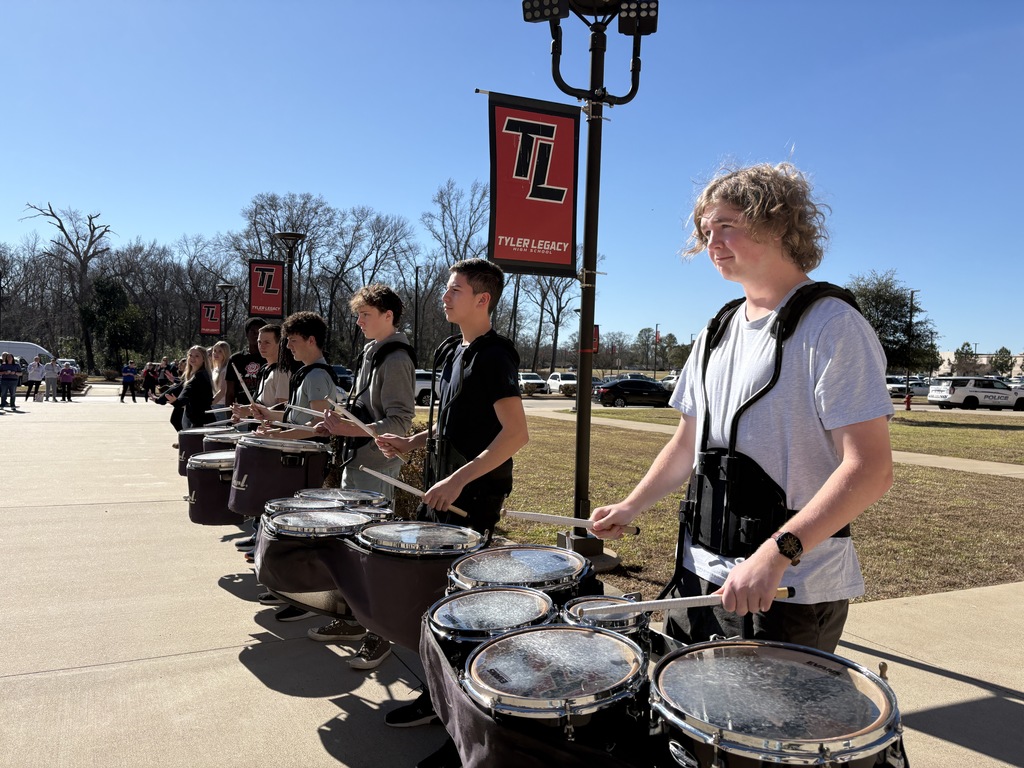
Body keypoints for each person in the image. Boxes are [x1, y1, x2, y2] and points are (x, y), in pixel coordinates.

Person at [591, 163, 894, 655]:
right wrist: (631, 505)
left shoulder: (833, 326)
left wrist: (777, 553)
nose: (712, 242)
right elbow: (688, 444)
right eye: (706, 231)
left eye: (727, 226)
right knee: (688, 725)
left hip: (788, 591)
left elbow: (871, 469)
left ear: (777, 223)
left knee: (768, 733)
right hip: (699, 578)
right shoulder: (717, 329)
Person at [375, 259, 528, 759]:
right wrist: (413, 442)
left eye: (454, 289)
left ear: (482, 299)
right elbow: (453, 426)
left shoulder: (494, 357)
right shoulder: (451, 351)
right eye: (446, 288)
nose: (445, 295)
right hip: (444, 492)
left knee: (465, 611)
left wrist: (459, 480)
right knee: (437, 601)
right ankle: (439, 698)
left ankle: (463, 725)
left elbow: (515, 435)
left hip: (474, 499)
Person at [308, 284, 416, 668]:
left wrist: (348, 429)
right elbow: (365, 412)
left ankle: (380, 634)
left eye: (365, 314)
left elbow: (401, 422)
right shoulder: (372, 352)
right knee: (353, 547)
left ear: (389, 315)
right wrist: (336, 422)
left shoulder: (396, 357)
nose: (358, 322)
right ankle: (354, 619)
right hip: (358, 463)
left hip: (377, 465)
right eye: (358, 314)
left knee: (373, 552)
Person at [251, 311, 335, 622]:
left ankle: (304, 597)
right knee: (290, 528)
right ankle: (287, 588)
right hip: (298, 458)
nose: (289, 347)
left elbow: (319, 426)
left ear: (312, 341)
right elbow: (296, 418)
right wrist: (268, 417)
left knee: (301, 531)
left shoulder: (316, 376)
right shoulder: (307, 373)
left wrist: (278, 434)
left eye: (295, 341)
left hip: (308, 460)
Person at [165, 346, 214, 430]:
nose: (192, 358)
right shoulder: (196, 374)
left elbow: (187, 392)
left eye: (197, 356)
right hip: (200, 419)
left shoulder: (199, 376)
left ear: (203, 359)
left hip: (202, 421)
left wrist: (177, 402)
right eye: (190, 355)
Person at [225, 318, 265, 408]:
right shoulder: (235, 359)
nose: (256, 335)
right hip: (242, 412)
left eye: (259, 332)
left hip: (264, 411)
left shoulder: (269, 358)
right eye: (253, 331)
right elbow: (230, 393)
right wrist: (230, 418)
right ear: (247, 334)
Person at [209, 341, 231, 421]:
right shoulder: (214, 369)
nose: (216, 353)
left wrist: (208, 404)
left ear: (225, 353)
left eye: (220, 351)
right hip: (214, 404)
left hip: (222, 406)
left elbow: (222, 392)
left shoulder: (226, 370)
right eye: (214, 351)